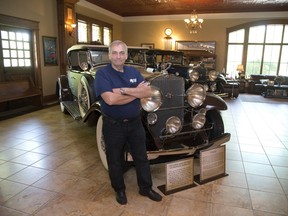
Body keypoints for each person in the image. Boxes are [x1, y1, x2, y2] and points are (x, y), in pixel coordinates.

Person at [94, 40, 162, 205]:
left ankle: (145, 188)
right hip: (113, 125)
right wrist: (135, 93)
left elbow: (147, 91)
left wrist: (123, 91)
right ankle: (119, 190)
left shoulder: (133, 72)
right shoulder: (102, 74)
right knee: (115, 159)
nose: (118, 56)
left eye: (121, 53)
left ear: (126, 55)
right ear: (110, 55)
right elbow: (110, 100)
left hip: (135, 123)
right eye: (115, 53)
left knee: (141, 158)